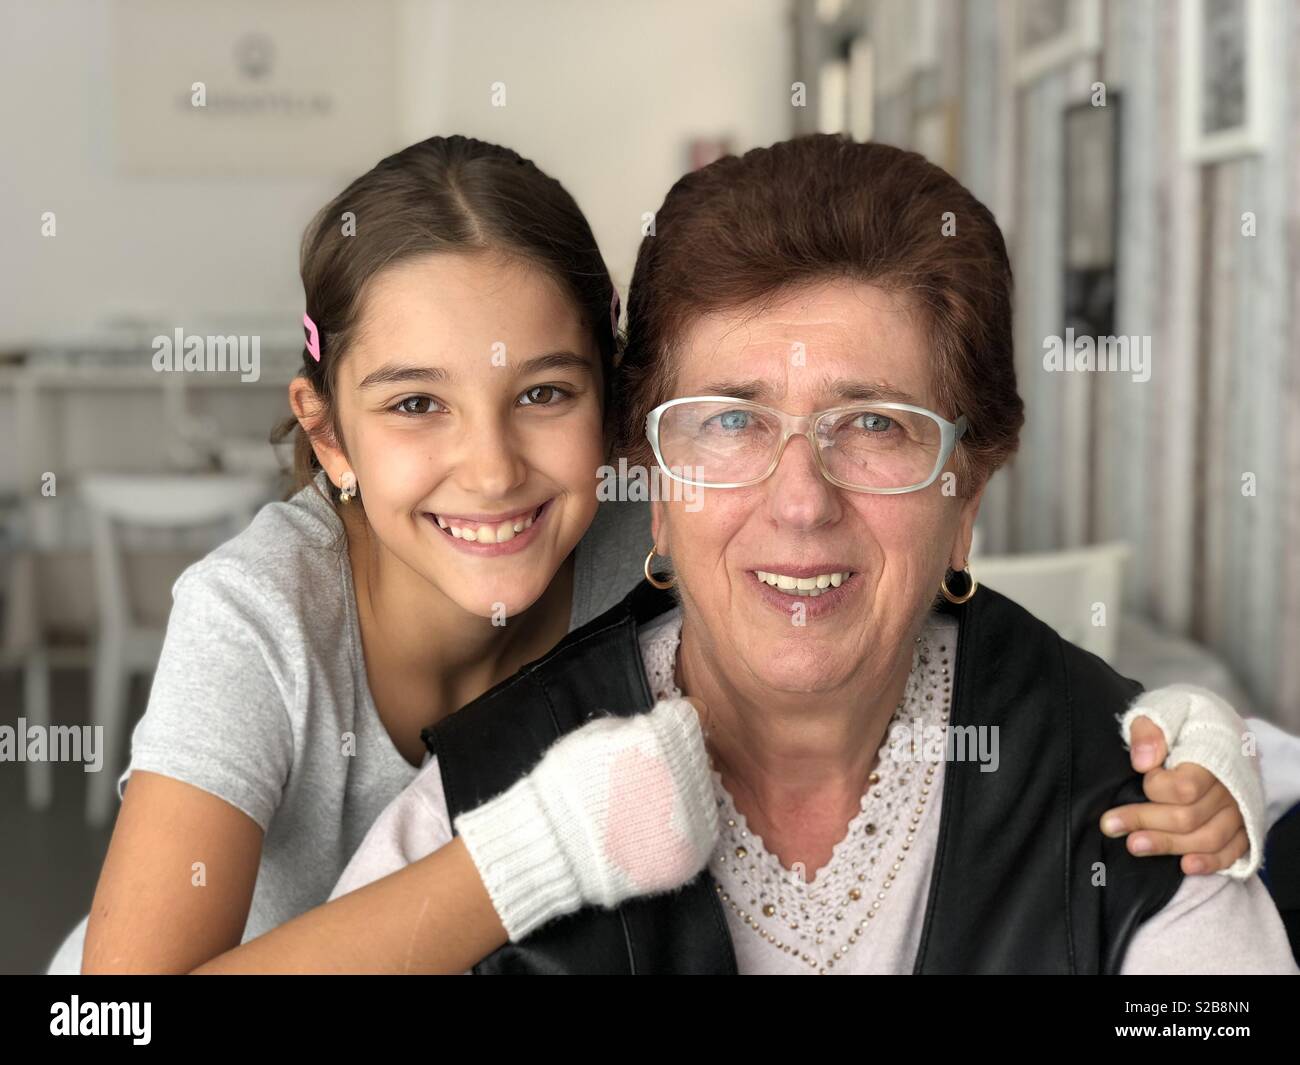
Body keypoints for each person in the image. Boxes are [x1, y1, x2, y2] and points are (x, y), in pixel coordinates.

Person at [185, 136, 1294, 975]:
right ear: (653, 483)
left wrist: (1232, 749)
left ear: (968, 490)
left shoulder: (1144, 829)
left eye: (874, 424)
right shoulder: (463, 802)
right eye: (729, 421)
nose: (799, 503)